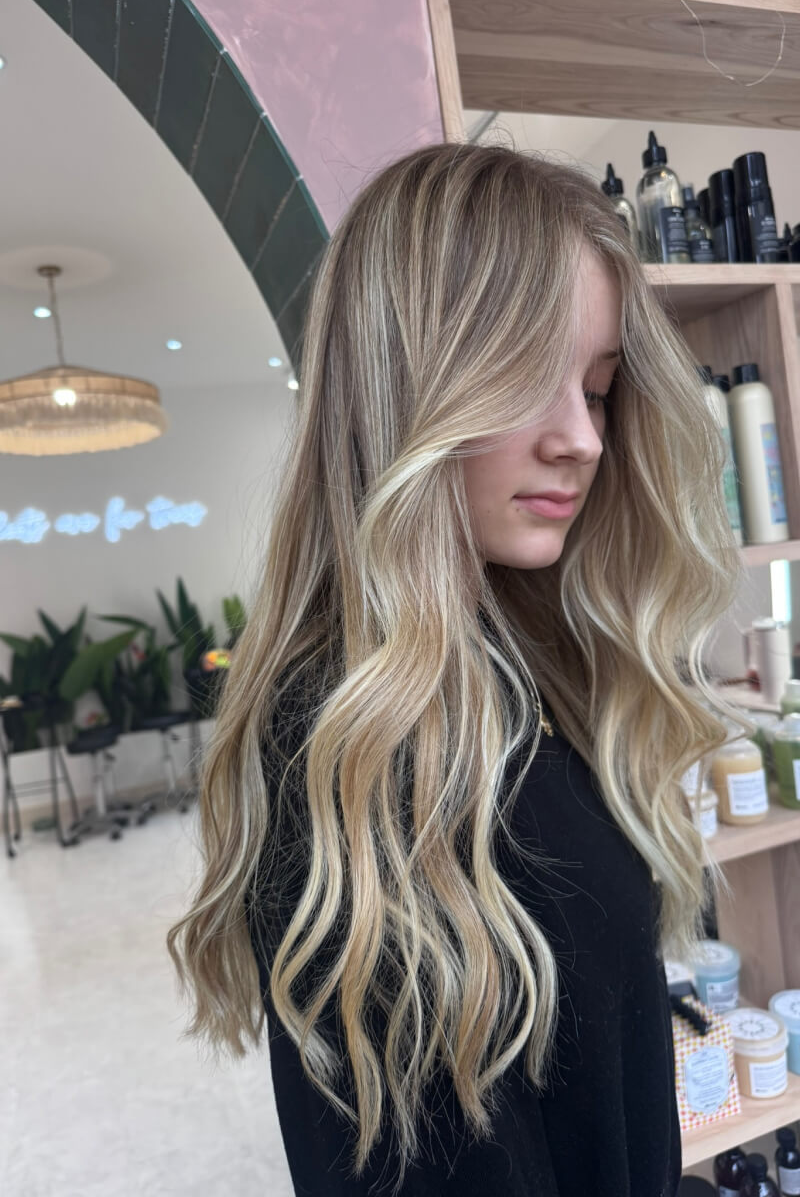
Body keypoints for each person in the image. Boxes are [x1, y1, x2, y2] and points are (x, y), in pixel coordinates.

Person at [167, 143, 744, 1196]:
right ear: (400, 388)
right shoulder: (359, 757)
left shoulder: (516, 662)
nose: (583, 440)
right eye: (525, 380)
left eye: (598, 388)